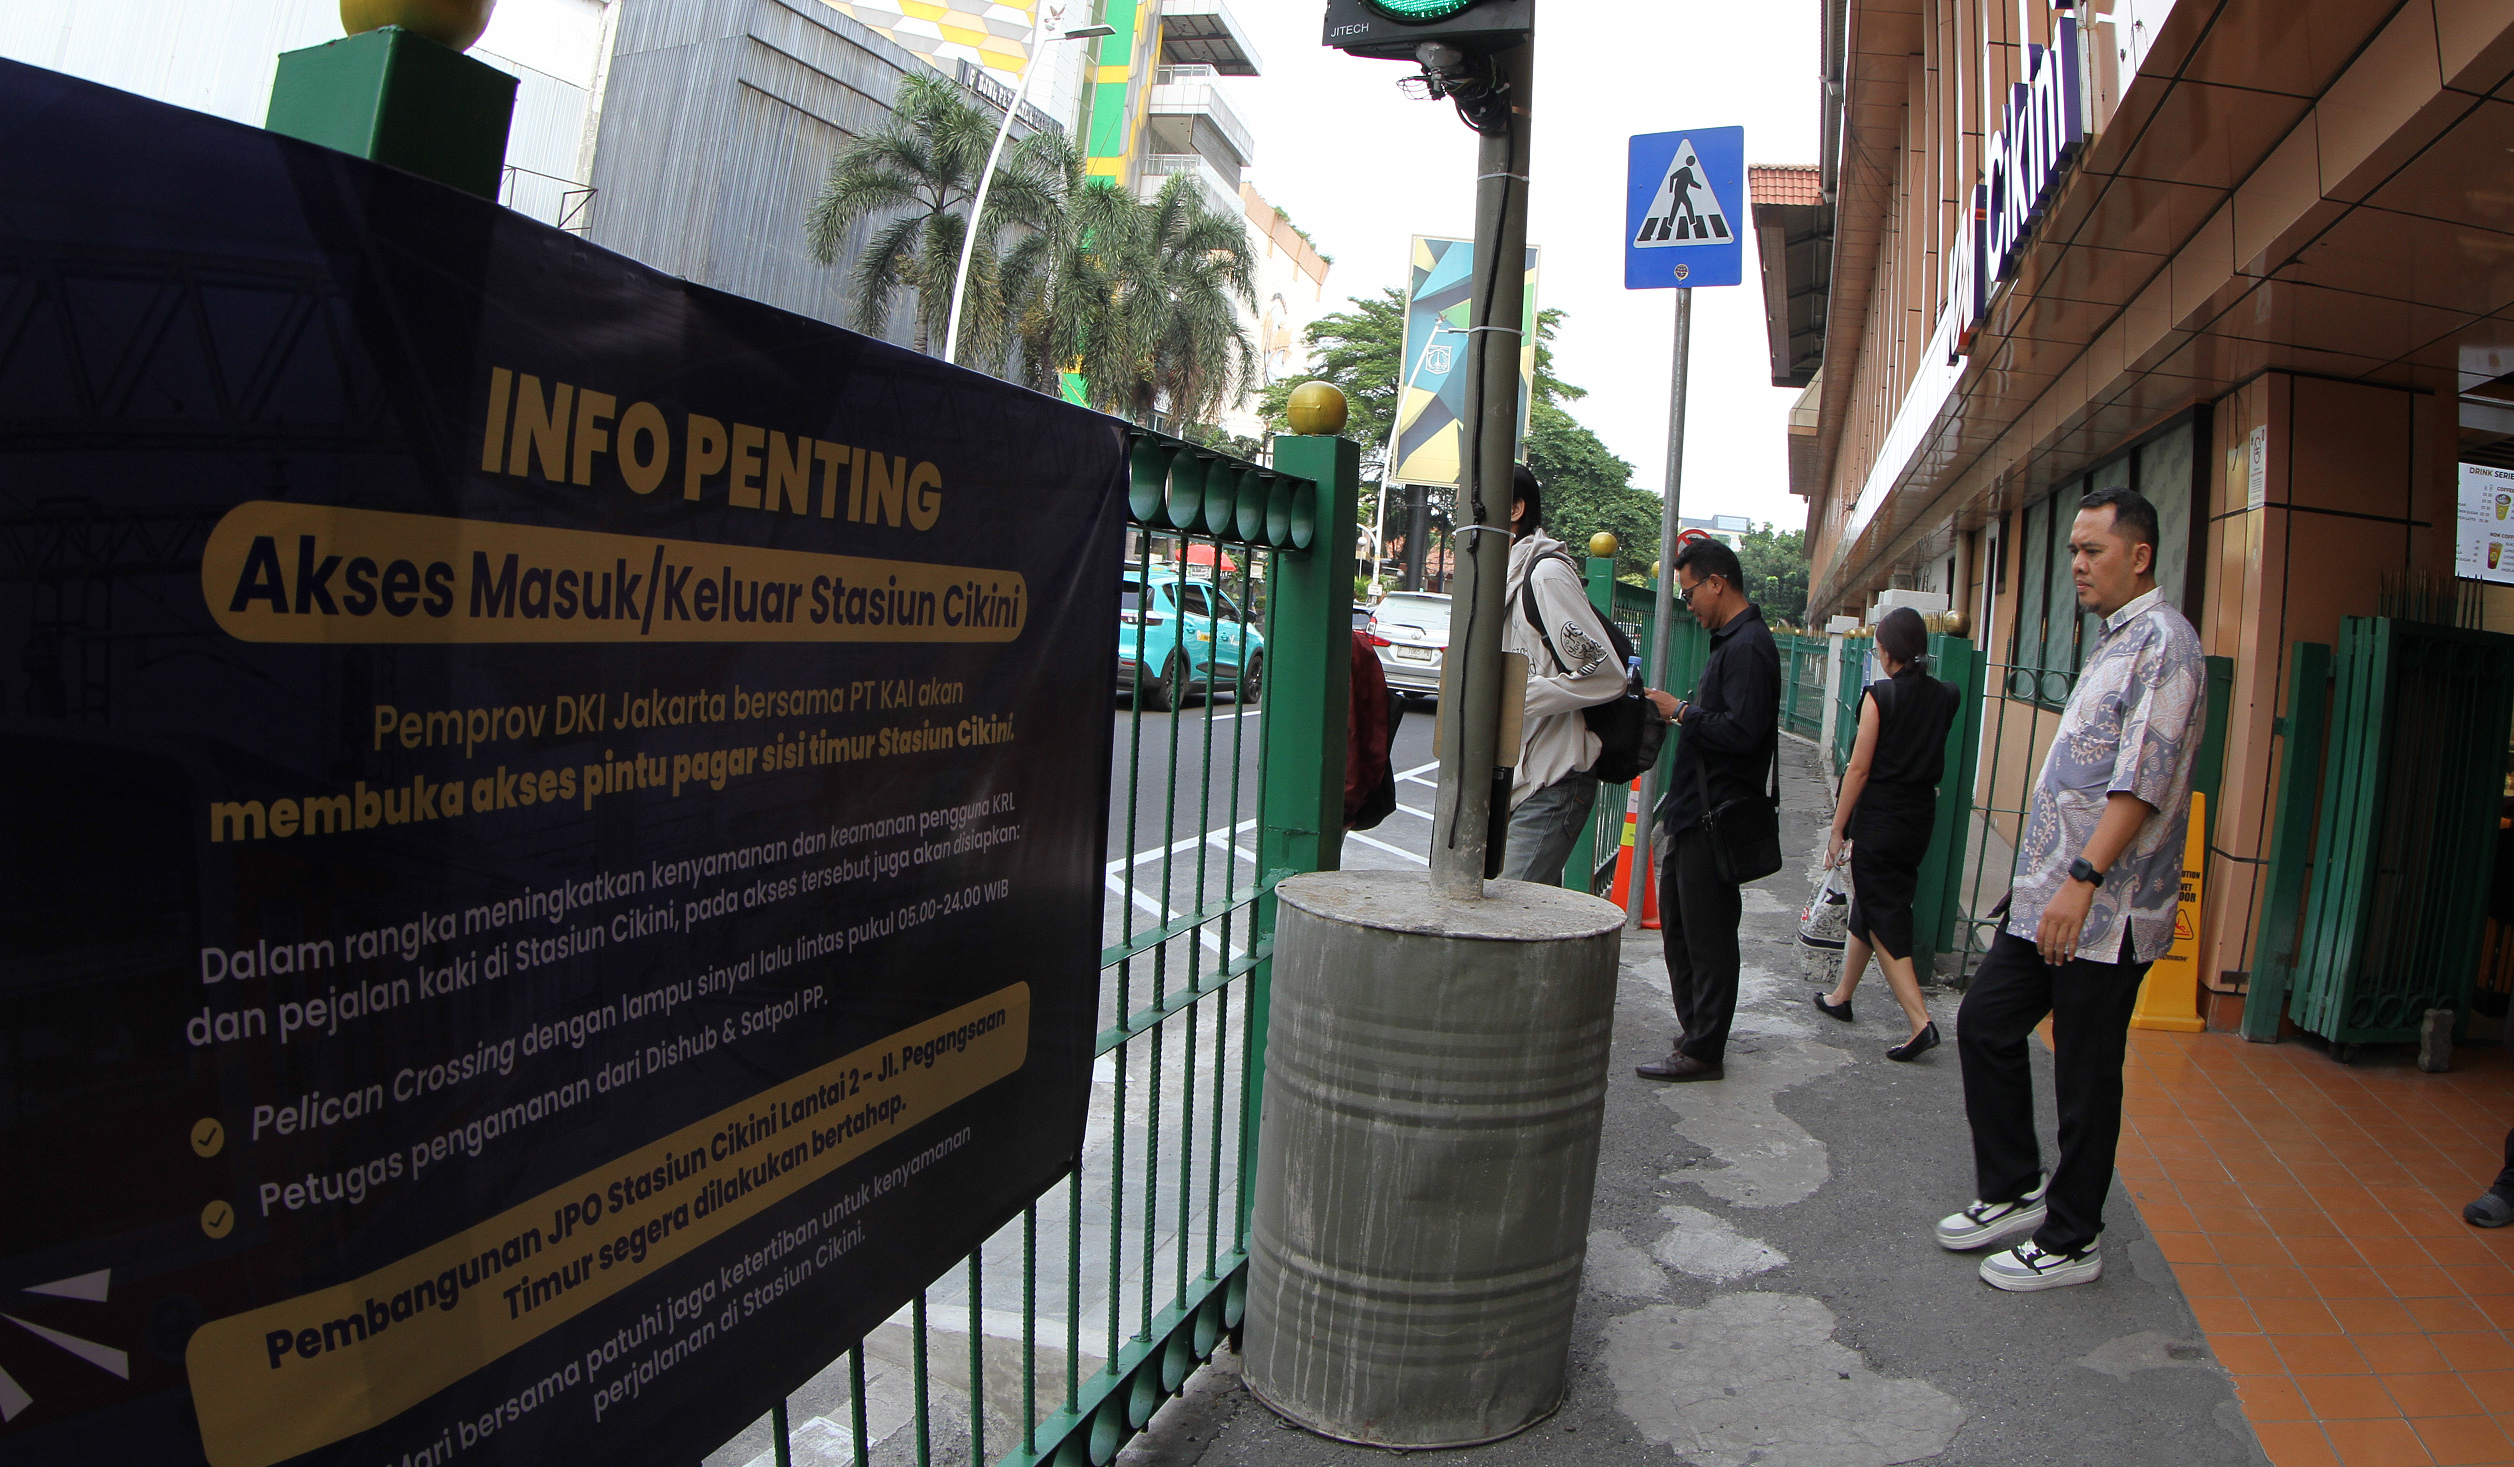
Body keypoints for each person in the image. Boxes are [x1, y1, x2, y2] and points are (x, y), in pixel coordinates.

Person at [1937, 484, 2204, 1292]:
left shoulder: (2166, 642)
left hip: (2104, 911)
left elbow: (2144, 781)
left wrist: (2083, 879)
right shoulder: (2116, 638)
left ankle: (2072, 1235)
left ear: (2140, 554)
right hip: (2049, 900)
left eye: (2091, 550)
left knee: (2086, 1073)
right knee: (1985, 1022)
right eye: (2075, 551)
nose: (2078, 564)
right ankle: (2015, 1185)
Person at [1635, 537, 1779, 1083]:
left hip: (1716, 814)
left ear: (1716, 583)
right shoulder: (1733, 642)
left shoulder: (1748, 648)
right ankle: (1697, 1029)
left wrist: (1681, 712)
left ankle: (1704, 1049)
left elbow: (1742, 733)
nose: (1688, 603)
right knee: (1680, 923)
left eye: (1690, 591)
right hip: (1697, 811)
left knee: (1708, 935)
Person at [1815, 607, 1961, 1060]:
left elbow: (1858, 768)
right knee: (1876, 901)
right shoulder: (1948, 695)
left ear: (1890, 651)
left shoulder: (1879, 696)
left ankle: (1921, 1022)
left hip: (1881, 818)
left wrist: (1838, 829)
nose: (1875, 653)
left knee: (1884, 911)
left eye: (1878, 646)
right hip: (1918, 818)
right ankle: (1841, 996)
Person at [1500, 464, 1627, 885]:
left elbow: (1606, 674)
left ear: (1516, 508)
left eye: (1476, 503)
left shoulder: (1546, 574)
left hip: (1553, 779)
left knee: (1505, 917)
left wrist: (1517, 696)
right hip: (1511, 780)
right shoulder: (1497, 578)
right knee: (1528, 924)